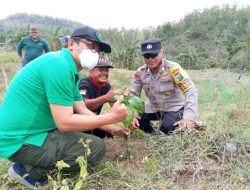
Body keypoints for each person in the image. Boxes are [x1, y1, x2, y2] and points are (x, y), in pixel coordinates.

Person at [0, 26, 128, 189]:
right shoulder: (58, 65)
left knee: (83, 137)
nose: (95, 53)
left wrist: (111, 127)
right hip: (18, 139)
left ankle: (31, 160)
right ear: (72, 44)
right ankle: (28, 172)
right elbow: (65, 122)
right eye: (91, 47)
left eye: (98, 51)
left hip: (25, 133)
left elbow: (81, 108)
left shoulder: (67, 68)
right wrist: (112, 116)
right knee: (96, 148)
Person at [130, 38, 198, 134]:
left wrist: (188, 117)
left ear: (161, 52)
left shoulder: (173, 69)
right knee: (133, 119)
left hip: (174, 108)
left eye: (154, 55)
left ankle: (171, 126)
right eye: (147, 56)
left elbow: (190, 90)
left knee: (167, 128)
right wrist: (133, 116)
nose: (150, 59)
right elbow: (133, 96)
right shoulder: (140, 72)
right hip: (154, 107)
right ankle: (154, 134)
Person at [79, 58, 119, 138]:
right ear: (91, 71)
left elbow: (114, 103)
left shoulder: (106, 86)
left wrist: (129, 118)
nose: (104, 73)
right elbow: (82, 105)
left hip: (94, 120)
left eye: (106, 70)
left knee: (106, 133)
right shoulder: (84, 84)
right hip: (79, 122)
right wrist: (105, 98)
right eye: (101, 70)